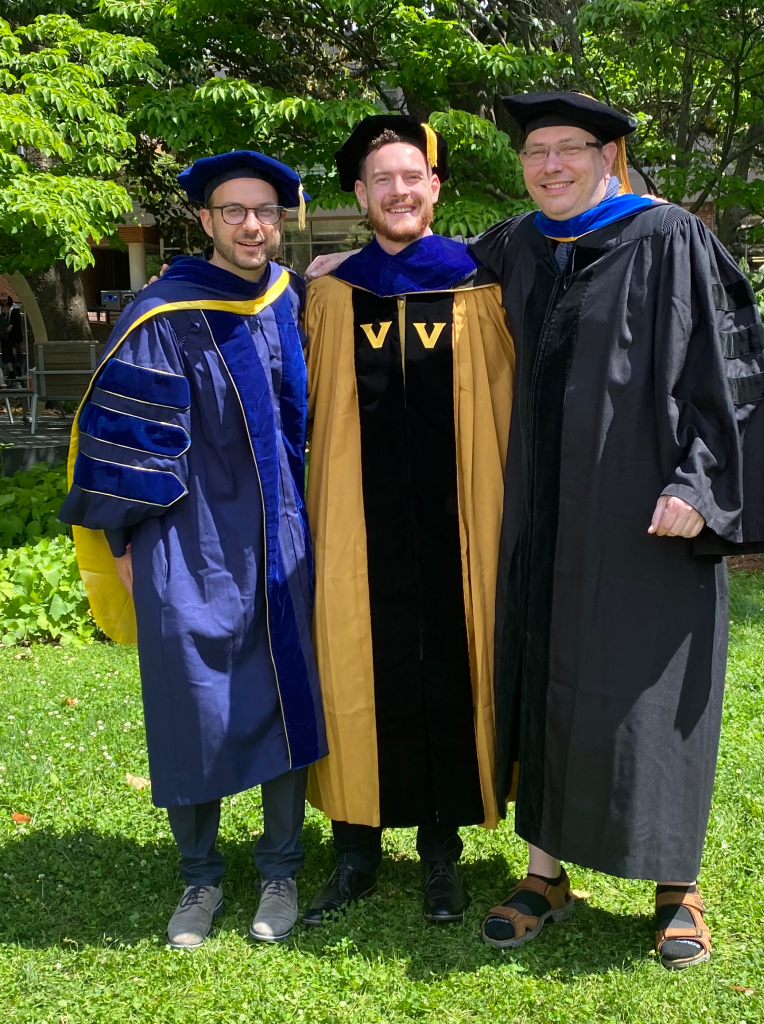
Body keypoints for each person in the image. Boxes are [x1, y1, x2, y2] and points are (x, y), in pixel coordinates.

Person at [462, 92, 764, 969]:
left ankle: (674, 888)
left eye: (569, 149)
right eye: (536, 152)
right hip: (545, 513)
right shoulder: (525, 243)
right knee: (546, 678)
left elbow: (726, 365)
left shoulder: (669, 238)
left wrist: (702, 480)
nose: (550, 167)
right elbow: (437, 267)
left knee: (652, 690)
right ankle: (544, 875)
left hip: (644, 510)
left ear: (611, 156)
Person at [59, 150, 327, 950]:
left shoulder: (294, 299)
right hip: (187, 538)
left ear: (282, 221)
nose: (253, 224)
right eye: (235, 210)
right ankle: (200, 878)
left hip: (282, 531)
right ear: (204, 220)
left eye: (267, 211)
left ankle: (280, 868)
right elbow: (124, 437)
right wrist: (120, 540)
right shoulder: (163, 311)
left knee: (285, 687)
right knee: (192, 699)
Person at [300, 115, 515, 926]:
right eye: (380, 179)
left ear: (435, 188)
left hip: (460, 517)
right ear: (359, 195)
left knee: (452, 656)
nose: (398, 190)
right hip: (354, 524)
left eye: (411, 176)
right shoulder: (326, 291)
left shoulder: (483, 281)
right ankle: (355, 848)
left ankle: (439, 851)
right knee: (355, 655)